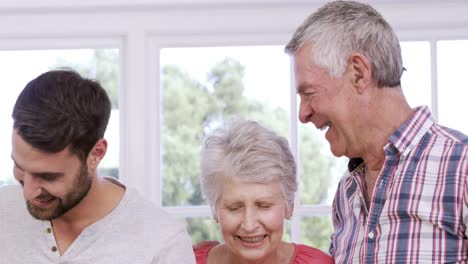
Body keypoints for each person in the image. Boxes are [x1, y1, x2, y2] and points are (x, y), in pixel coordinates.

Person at [285, 1, 468, 263]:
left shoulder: (462, 167)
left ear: (358, 73)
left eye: (309, 93)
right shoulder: (347, 193)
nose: (303, 114)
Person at [0, 69, 196, 263]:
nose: (28, 192)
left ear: (96, 154)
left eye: (48, 177)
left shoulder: (163, 242)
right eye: (20, 168)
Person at [195, 119, 333, 264]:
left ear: (289, 206)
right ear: (215, 210)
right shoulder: (182, 258)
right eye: (234, 208)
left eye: (264, 206)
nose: (249, 226)